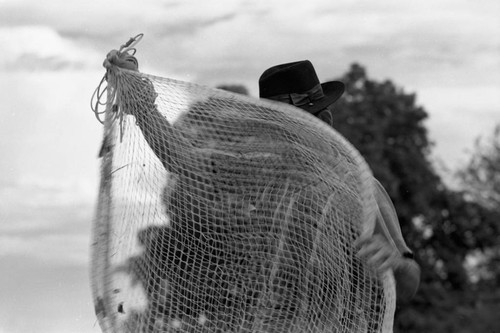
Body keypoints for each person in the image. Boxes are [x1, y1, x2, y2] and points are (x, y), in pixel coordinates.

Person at [258, 60, 421, 303]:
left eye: (290, 127)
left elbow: (409, 282)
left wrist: (395, 266)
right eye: (273, 128)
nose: (279, 139)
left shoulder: (360, 189)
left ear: (324, 121)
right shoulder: (261, 191)